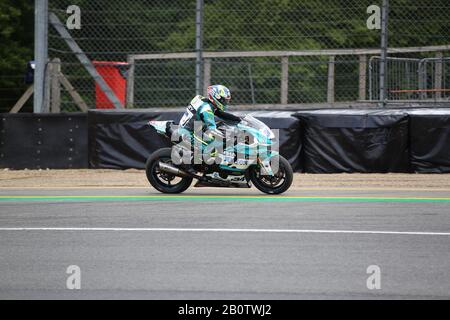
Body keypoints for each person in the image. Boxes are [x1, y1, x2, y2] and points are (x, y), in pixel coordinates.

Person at [178, 84, 240, 161]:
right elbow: (212, 128)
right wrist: (227, 139)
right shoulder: (206, 110)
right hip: (188, 134)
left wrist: (238, 120)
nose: (226, 103)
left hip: (193, 129)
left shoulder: (202, 99)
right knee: (213, 150)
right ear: (217, 98)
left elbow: (220, 113)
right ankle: (190, 168)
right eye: (224, 100)